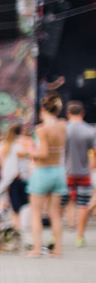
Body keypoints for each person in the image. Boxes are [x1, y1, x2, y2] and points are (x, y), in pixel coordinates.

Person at [27, 95, 69, 258]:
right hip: (58, 171)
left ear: (43, 109)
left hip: (42, 172)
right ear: (58, 110)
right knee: (55, 213)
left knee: (36, 212)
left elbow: (43, 152)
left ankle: (37, 248)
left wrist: (31, 154)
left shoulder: (41, 129)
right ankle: (57, 249)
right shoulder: (63, 125)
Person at [64, 101, 95, 247]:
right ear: (83, 113)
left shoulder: (63, 129)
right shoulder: (90, 130)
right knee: (83, 205)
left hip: (65, 173)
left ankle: (55, 237)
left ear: (68, 113)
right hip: (84, 173)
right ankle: (80, 237)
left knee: (59, 204)